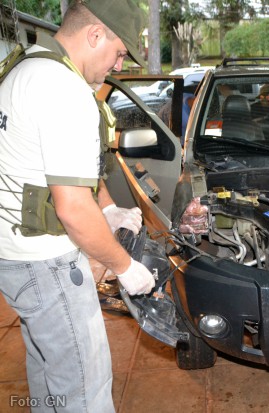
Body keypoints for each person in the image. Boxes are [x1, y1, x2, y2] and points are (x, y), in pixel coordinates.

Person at [0, 0, 155, 411]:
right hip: (47, 264)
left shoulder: (26, 67)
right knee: (84, 391)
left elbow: (60, 166)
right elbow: (71, 207)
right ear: (95, 34)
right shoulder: (63, 89)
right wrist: (125, 267)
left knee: (49, 375)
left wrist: (106, 208)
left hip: (15, 258)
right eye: (119, 52)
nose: (118, 65)